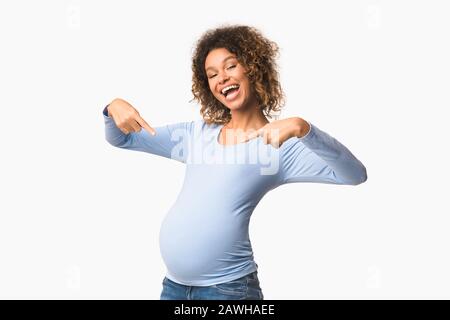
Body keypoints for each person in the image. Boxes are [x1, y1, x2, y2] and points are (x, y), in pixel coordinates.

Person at [102, 24, 367, 300]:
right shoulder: (195, 134)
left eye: (230, 66)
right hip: (174, 287)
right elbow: (123, 139)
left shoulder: (278, 145)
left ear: (253, 68)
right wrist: (112, 107)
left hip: (228, 290)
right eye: (212, 74)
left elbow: (354, 174)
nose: (221, 78)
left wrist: (304, 128)